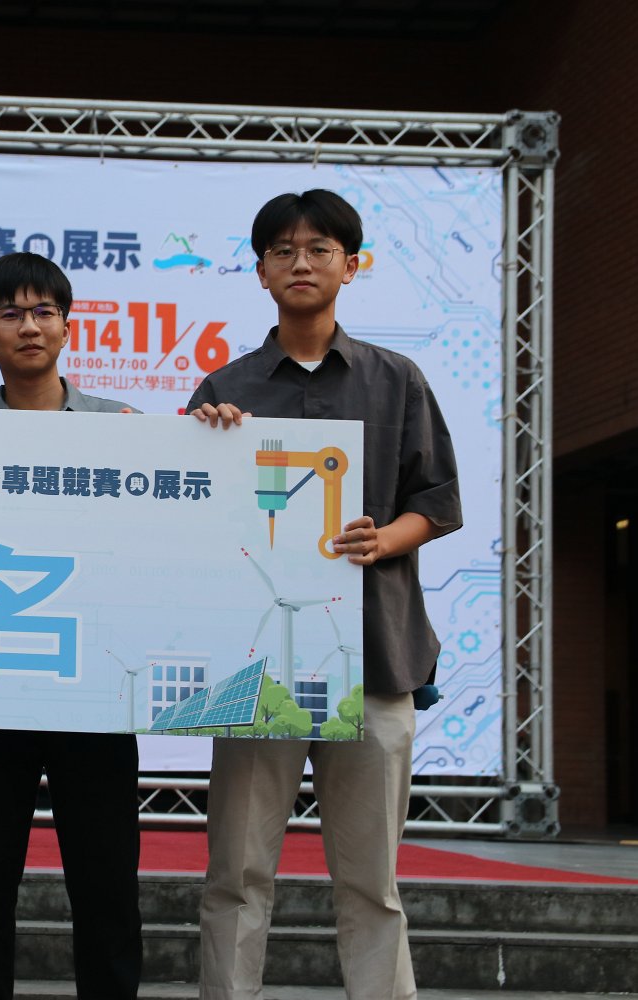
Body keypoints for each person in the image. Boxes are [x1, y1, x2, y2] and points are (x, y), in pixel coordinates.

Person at [188, 189, 462, 1000]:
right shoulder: (225, 388)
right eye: (282, 250)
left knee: (372, 881)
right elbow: (189, 522)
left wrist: (385, 540)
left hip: (374, 657)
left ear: (352, 264)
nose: (300, 263)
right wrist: (206, 449)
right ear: (260, 271)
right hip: (257, 669)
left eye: (319, 249)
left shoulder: (396, 379)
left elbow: (436, 501)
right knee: (237, 874)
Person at [0, 252, 143, 999]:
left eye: (44, 312)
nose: (29, 327)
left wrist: (214, 436)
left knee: (107, 878)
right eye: (10, 314)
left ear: (67, 326)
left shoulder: (127, 430)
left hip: (95, 690)